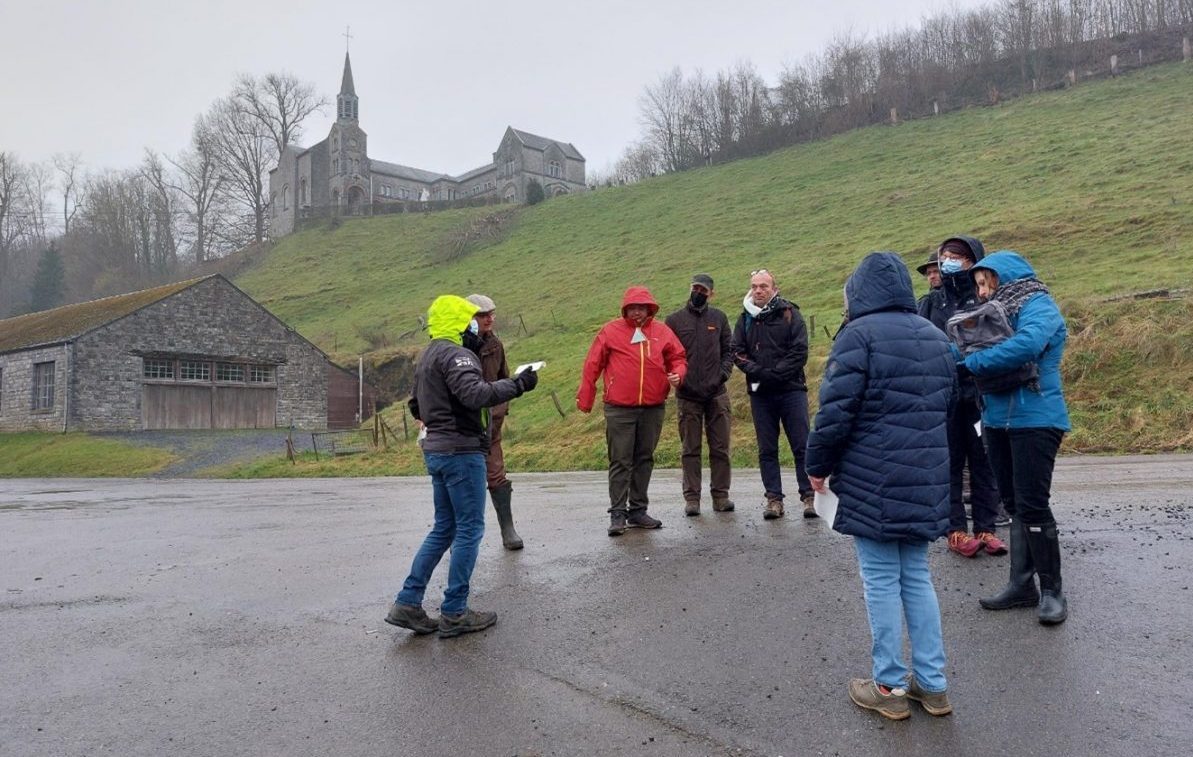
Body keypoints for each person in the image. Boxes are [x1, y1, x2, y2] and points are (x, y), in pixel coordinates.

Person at [806, 252, 956, 721]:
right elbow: (948, 405)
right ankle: (932, 686)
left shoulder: (857, 337)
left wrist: (817, 466)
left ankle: (888, 686)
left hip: (873, 478)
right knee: (917, 577)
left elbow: (834, 413)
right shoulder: (936, 336)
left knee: (880, 581)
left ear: (859, 293)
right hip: (927, 475)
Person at [386, 295, 539, 638]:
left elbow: (415, 405)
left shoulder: (428, 356)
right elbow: (475, 395)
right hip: (462, 451)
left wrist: (439, 418)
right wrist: (519, 384)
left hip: (437, 450)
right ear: (459, 321)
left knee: (444, 527)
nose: (478, 324)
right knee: (469, 529)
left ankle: (408, 602)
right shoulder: (458, 355)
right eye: (471, 318)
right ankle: (455, 611)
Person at [960, 251, 1072, 625]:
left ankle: (1053, 591)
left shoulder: (1038, 305)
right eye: (977, 284)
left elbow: (1026, 346)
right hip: (995, 420)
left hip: (1036, 418)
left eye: (985, 281)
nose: (980, 290)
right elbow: (963, 349)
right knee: (1013, 503)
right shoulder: (989, 315)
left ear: (1003, 278)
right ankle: (1022, 586)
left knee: (1033, 503)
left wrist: (969, 362)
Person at [918, 237, 1008, 558]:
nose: (951, 261)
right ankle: (955, 531)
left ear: (974, 261)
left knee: (985, 462)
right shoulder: (929, 303)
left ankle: (987, 529)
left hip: (982, 394)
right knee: (950, 464)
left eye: (958, 256)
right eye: (947, 256)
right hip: (944, 396)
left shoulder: (984, 296)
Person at [577, 286, 687, 536]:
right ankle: (617, 513)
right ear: (625, 309)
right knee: (620, 460)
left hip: (653, 407)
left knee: (644, 458)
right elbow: (592, 364)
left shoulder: (662, 332)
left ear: (650, 309)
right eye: (632, 308)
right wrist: (586, 397)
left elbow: (678, 357)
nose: (637, 312)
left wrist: (678, 374)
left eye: (642, 307)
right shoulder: (610, 331)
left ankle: (638, 511)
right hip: (619, 409)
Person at [730, 269, 814, 519]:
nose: (758, 291)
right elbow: (736, 351)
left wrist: (775, 373)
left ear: (774, 288)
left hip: (791, 390)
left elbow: (800, 352)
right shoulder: (744, 318)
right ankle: (774, 500)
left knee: (802, 446)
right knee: (767, 449)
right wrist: (758, 372)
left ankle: (809, 496)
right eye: (754, 286)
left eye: (763, 286)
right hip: (760, 393)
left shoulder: (790, 314)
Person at [664, 274, 735, 516]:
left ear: (711, 294)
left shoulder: (719, 318)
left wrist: (722, 375)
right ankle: (692, 498)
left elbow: (729, 350)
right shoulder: (674, 320)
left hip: (717, 394)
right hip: (687, 395)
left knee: (721, 447)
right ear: (689, 288)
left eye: (703, 290)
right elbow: (667, 354)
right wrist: (676, 377)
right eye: (695, 288)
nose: (698, 292)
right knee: (690, 449)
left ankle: (721, 496)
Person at [465, 293, 523, 550]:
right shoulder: (455, 345)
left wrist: (500, 411)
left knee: (497, 475)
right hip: (463, 427)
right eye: (483, 315)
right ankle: (462, 538)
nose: (490, 319)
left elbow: (504, 379)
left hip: (490, 425)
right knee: (464, 481)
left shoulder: (495, 345)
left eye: (492, 313)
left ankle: (507, 529)